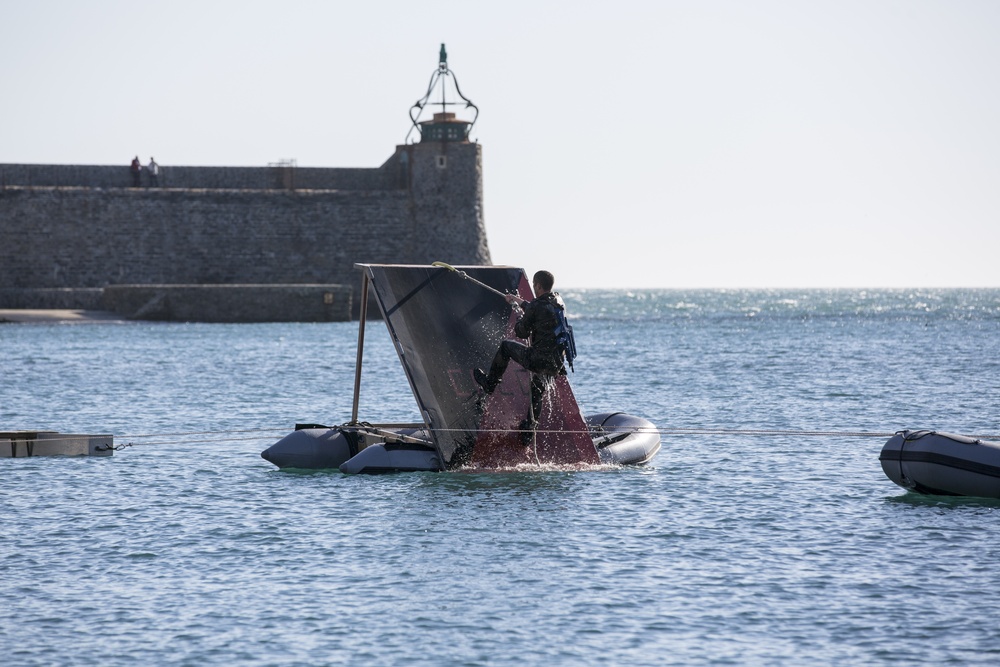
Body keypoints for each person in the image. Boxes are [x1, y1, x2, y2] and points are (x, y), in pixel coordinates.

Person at [474, 270, 569, 443]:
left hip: (538, 358)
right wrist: (519, 302)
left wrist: (520, 316)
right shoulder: (558, 302)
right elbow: (540, 309)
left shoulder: (536, 306)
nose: (534, 288)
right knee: (537, 388)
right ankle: (529, 431)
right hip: (556, 362)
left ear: (538, 285)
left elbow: (521, 332)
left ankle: (490, 384)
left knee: (505, 347)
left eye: (534, 286)